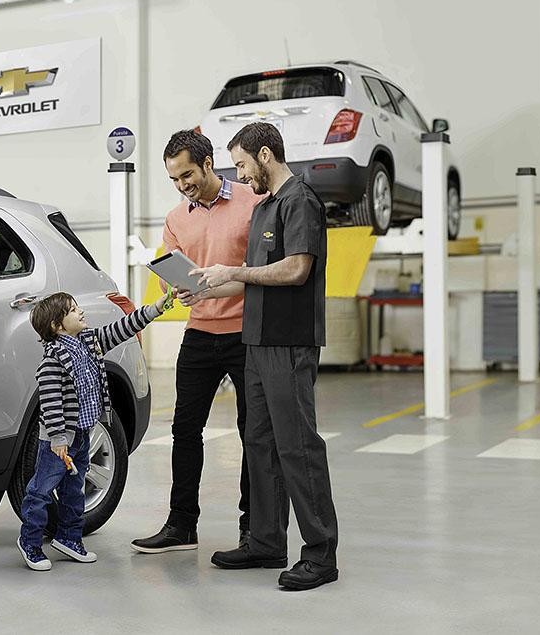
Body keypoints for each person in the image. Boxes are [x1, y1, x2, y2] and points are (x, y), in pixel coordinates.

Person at [191, 121, 340, 591]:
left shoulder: (301, 202)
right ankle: (266, 539)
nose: (239, 175)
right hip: (255, 341)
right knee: (259, 443)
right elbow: (253, 276)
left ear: (265, 155)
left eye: (240, 164)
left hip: (288, 342)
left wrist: (234, 270)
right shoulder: (264, 209)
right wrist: (209, 284)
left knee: (297, 446)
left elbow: (296, 270)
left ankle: (320, 554)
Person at [131, 130, 264, 554]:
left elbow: (261, 272)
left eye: (187, 174)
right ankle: (181, 524)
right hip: (200, 333)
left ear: (208, 163)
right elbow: (176, 272)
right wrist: (179, 291)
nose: (182, 184)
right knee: (184, 430)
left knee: (252, 432)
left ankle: (253, 527)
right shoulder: (176, 218)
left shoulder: (252, 202)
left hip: (247, 334)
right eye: (174, 179)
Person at [18, 290, 174, 571]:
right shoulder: (52, 360)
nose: (81, 312)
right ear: (57, 325)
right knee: (41, 490)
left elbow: (124, 327)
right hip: (59, 441)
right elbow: (51, 403)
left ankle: (69, 537)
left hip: (81, 434)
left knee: (74, 489)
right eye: (73, 310)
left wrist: (157, 308)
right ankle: (29, 541)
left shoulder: (90, 343)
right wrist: (57, 438)